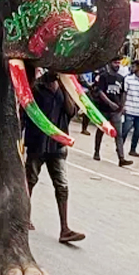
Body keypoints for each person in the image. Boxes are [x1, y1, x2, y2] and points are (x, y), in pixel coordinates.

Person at [23, 70, 85, 243]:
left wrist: (66, 88)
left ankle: (65, 228)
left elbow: (71, 111)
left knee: (62, 185)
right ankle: (24, 216)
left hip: (57, 144)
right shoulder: (36, 86)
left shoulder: (63, 87)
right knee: (30, 180)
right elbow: (26, 111)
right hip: (38, 142)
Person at [92, 57, 132, 166]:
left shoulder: (121, 78)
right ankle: (96, 151)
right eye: (115, 63)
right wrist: (109, 103)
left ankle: (121, 158)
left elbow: (123, 92)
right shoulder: (104, 76)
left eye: (118, 63)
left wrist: (122, 106)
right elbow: (100, 92)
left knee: (118, 134)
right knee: (101, 130)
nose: (117, 65)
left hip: (116, 111)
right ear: (109, 63)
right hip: (104, 109)